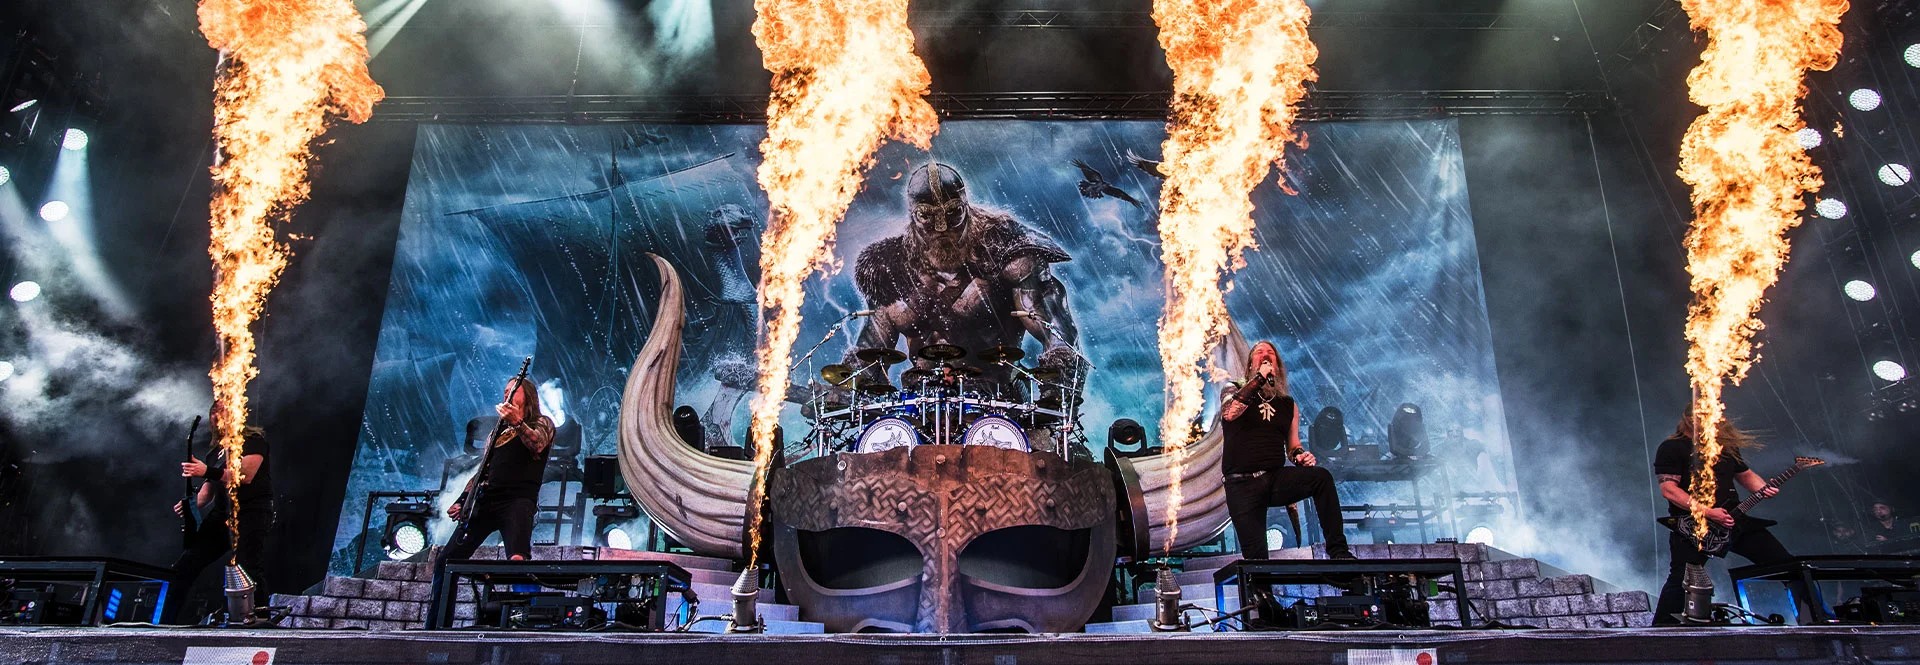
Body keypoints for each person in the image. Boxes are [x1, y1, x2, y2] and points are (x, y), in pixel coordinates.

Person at [1650, 414, 1795, 625]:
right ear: (1690, 419)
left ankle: (1817, 615)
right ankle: (1662, 629)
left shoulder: (1724, 446)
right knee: (1682, 577)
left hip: (1733, 521)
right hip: (1696, 527)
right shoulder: (1672, 447)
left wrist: (1764, 488)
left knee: (1785, 565)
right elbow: (1669, 490)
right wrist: (1708, 512)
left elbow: (1746, 475)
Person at [1220, 341, 1354, 561]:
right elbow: (1229, 413)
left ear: (1278, 366)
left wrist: (1300, 456)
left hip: (1274, 479)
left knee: (1321, 478)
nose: (1265, 355)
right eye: (1259, 352)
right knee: (1257, 560)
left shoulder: (1288, 404)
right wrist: (1259, 379)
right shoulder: (1232, 389)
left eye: (1270, 353)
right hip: (1242, 485)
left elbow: (1293, 446)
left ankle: (1339, 552)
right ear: (1251, 365)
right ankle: (1261, 583)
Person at [440, 376, 554, 562]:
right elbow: (483, 471)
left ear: (528, 396)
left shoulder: (542, 422)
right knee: (446, 560)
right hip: (486, 500)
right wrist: (462, 500)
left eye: (514, 390)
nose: (508, 394)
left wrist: (518, 423)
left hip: (517, 500)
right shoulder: (496, 433)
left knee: (517, 559)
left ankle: (519, 583)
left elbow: (538, 444)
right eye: (506, 391)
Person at [169, 425, 274, 622]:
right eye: (215, 413)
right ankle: (166, 619)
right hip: (222, 514)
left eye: (223, 411)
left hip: (250, 511)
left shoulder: (252, 441)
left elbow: (245, 475)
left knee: (247, 567)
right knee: (186, 563)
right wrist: (190, 505)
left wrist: (206, 470)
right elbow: (207, 492)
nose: (219, 416)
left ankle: (260, 619)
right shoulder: (215, 453)